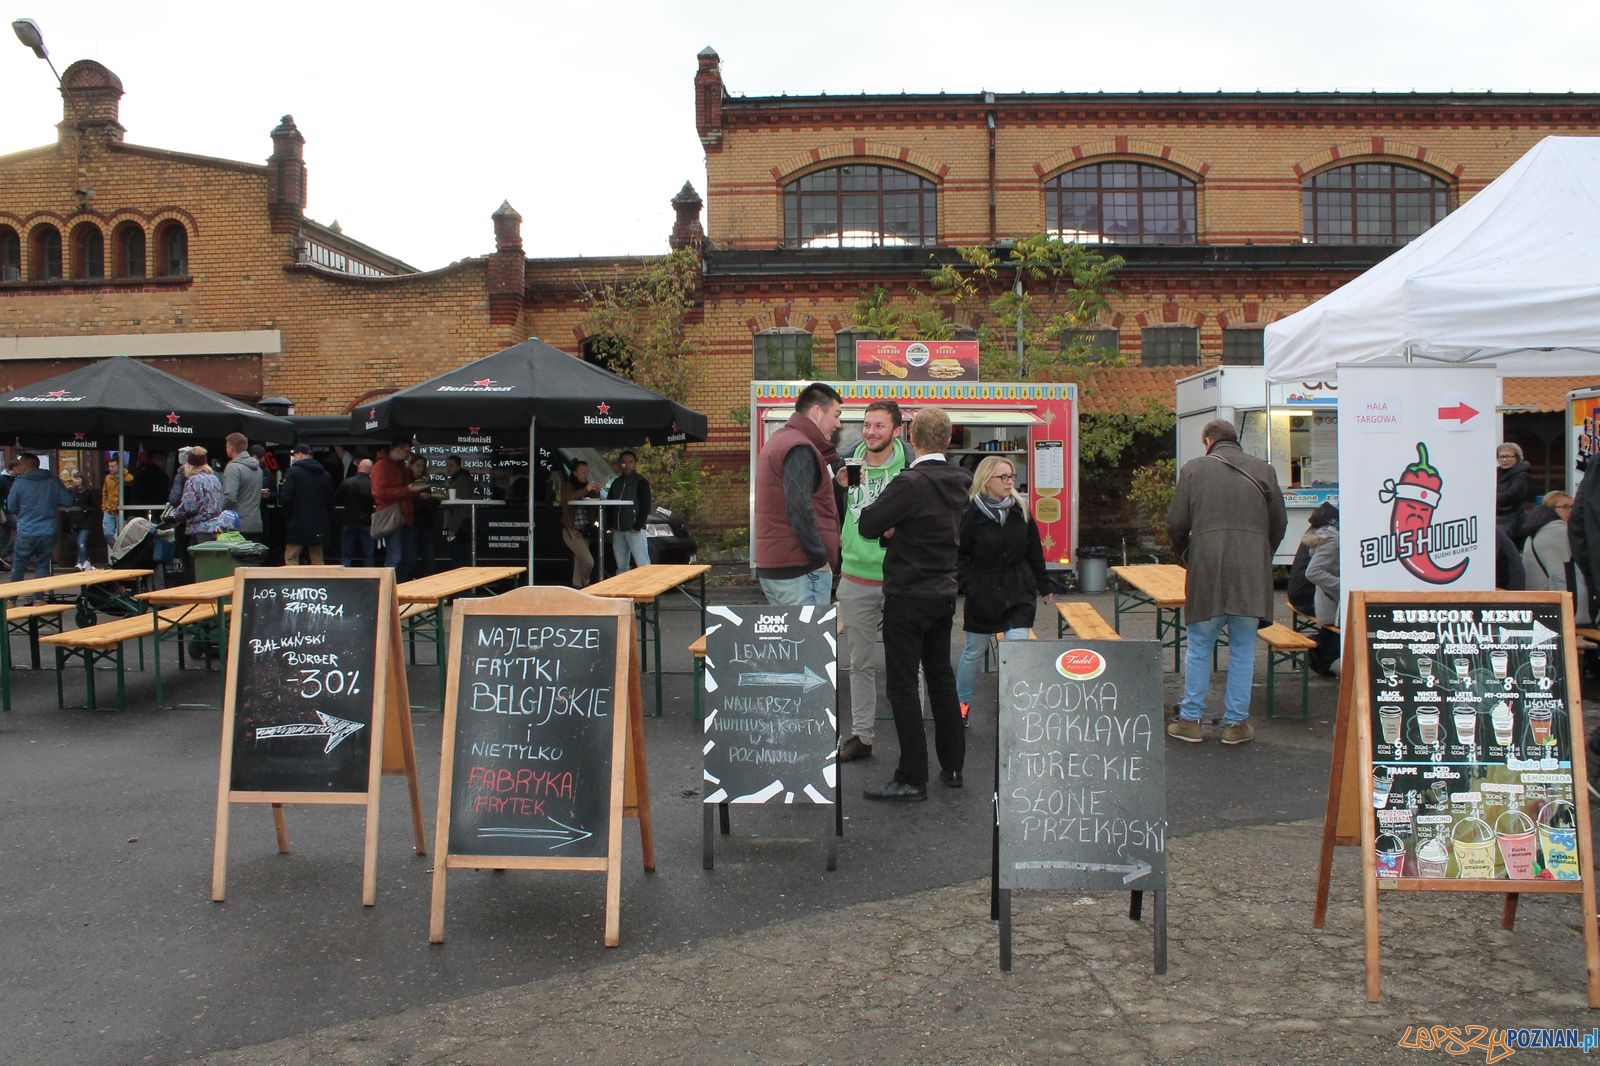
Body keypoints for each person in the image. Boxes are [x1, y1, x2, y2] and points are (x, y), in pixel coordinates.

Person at [857, 407, 972, 801]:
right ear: (949, 438)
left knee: (903, 686)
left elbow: (868, 524)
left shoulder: (909, 482)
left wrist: (893, 530)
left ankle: (912, 776)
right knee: (941, 679)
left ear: (911, 437)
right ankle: (953, 766)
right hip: (943, 594)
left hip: (907, 595)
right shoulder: (960, 481)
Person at [1165, 419, 1287, 746]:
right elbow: (1280, 523)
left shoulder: (1193, 470)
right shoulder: (1264, 470)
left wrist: (1188, 554)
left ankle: (1190, 720)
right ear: (1235, 439)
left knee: (1199, 646)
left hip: (1207, 570)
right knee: (1243, 649)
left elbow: (1175, 524)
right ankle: (1236, 724)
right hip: (1251, 573)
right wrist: (1261, 554)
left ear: (1208, 441)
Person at [834, 399, 910, 762]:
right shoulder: (848, 463)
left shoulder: (910, 468)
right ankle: (862, 736)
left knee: (907, 662)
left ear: (896, 430)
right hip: (855, 577)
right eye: (867, 424)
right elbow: (836, 510)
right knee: (859, 663)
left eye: (879, 425)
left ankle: (912, 737)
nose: (871, 432)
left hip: (901, 580)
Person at [955, 454, 1053, 724]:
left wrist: (1044, 585)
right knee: (974, 652)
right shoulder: (971, 514)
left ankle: (1014, 708)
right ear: (987, 480)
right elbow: (958, 554)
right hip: (983, 593)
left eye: (1012, 476)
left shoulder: (1021, 511)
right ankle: (961, 705)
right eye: (1003, 477)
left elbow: (1034, 551)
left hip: (1018, 592)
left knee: (1017, 651)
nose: (1010, 482)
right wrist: (969, 584)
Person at [754, 382, 843, 605]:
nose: (838, 424)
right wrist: (819, 558)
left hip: (782, 566)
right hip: (801, 570)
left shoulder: (781, 440)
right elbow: (799, 507)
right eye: (836, 415)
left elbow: (797, 498)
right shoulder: (799, 447)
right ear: (816, 412)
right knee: (808, 630)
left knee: (791, 630)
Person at [5, 454, 71, 594]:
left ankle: (12, 598)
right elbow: (67, 501)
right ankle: (38, 599)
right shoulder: (53, 481)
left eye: (20, 463)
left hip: (26, 530)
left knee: (19, 565)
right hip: (48, 530)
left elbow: (11, 507)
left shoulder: (20, 483)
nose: (18, 466)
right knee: (42, 564)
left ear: (28, 465)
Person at [165, 446, 226, 579]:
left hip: (199, 530)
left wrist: (174, 516)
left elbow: (189, 506)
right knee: (212, 568)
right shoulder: (214, 478)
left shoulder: (193, 480)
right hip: (216, 528)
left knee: (197, 569)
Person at [370, 439, 422, 578]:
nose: (408, 455)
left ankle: (397, 585)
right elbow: (379, 492)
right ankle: (390, 587)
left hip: (404, 515)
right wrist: (407, 490)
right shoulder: (381, 466)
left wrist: (410, 489)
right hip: (392, 514)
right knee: (396, 557)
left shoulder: (400, 466)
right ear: (397, 449)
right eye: (407, 451)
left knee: (408, 557)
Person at [280, 442, 335, 565]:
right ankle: (319, 578)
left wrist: (288, 517)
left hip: (297, 521)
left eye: (294, 455)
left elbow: (286, 498)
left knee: (291, 557)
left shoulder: (293, 472)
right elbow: (330, 500)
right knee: (317, 558)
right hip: (319, 522)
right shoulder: (325, 475)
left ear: (299, 454)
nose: (294, 458)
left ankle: (293, 578)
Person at [1302, 504, 1341, 676]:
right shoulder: (1332, 538)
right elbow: (1313, 572)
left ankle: (1319, 657)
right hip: (1332, 603)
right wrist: (1342, 585)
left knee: (1332, 638)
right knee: (1338, 636)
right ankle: (1319, 656)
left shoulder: (1324, 535)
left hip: (1327, 602)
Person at [605, 450, 652, 573]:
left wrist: (637, 526)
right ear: (620, 464)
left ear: (635, 464)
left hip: (634, 529)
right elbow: (609, 505)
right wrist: (610, 525)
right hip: (618, 529)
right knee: (621, 566)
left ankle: (647, 585)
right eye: (624, 462)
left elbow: (646, 507)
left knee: (643, 564)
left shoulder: (641, 482)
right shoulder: (616, 483)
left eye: (630, 462)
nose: (627, 465)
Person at [557, 459, 601, 586]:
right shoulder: (567, 486)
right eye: (583, 472)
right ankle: (585, 581)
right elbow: (569, 497)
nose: (585, 475)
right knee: (589, 561)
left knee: (579, 561)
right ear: (575, 473)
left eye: (587, 472)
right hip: (572, 530)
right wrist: (586, 489)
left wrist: (596, 492)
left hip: (585, 529)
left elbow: (594, 505)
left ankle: (577, 585)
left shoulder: (586, 487)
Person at [1521, 492, 1573, 592]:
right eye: (1566, 507)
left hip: (1536, 596)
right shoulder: (1559, 531)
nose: (1571, 511)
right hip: (1555, 598)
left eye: (1573, 507)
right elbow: (1562, 577)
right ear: (1551, 509)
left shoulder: (1534, 532)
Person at [221, 432, 265, 538]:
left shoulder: (233, 467)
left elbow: (230, 497)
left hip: (237, 524)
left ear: (231, 448)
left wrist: (218, 511)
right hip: (255, 523)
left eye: (226, 446)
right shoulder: (258, 469)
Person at [336, 458, 376, 567]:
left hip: (348, 521)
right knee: (368, 553)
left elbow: (337, 498)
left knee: (346, 552)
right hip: (366, 522)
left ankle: (345, 572)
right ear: (371, 470)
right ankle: (369, 574)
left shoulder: (347, 482)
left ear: (359, 467)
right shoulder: (372, 485)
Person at [442, 455, 477, 568]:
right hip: (459, 524)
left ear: (458, 466)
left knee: (459, 559)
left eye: (451, 465)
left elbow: (461, 506)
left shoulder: (462, 480)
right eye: (447, 465)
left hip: (459, 526)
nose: (448, 468)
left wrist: (452, 529)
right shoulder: (456, 479)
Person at [408, 455, 438, 577]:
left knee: (429, 556)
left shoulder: (425, 483)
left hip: (425, 522)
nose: (420, 468)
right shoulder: (406, 482)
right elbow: (403, 501)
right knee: (411, 556)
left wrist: (433, 499)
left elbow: (431, 507)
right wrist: (418, 497)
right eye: (418, 465)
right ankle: (408, 580)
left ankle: (429, 580)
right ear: (411, 466)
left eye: (423, 466)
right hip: (412, 522)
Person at [1496, 441, 1531, 546]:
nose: (1504, 460)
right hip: (1495, 515)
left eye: (1508, 456)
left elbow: (1513, 495)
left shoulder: (1521, 475)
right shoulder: (1496, 472)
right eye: (1501, 457)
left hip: (1510, 518)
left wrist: (1492, 498)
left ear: (1517, 458)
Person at [66, 471, 97, 571]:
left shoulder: (88, 492)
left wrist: (85, 510)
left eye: (78, 478)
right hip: (74, 521)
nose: (75, 481)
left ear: (83, 480)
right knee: (79, 544)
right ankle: (86, 561)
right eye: (74, 478)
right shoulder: (71, 491)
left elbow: (94, 505)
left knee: (81, 542)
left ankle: (81, 562)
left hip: (85, 521)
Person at [100, 456, 131, 552]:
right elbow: (104, 492)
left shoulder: (128, 478)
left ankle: (122, 553)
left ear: (119, 466)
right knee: (107, 533)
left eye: (113, 466)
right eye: (109, 466)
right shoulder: (108, 478)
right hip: (109, 509)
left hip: (121, 510)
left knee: (122, 535)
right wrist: (104, 506)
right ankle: (117, 551)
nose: (110, 469)